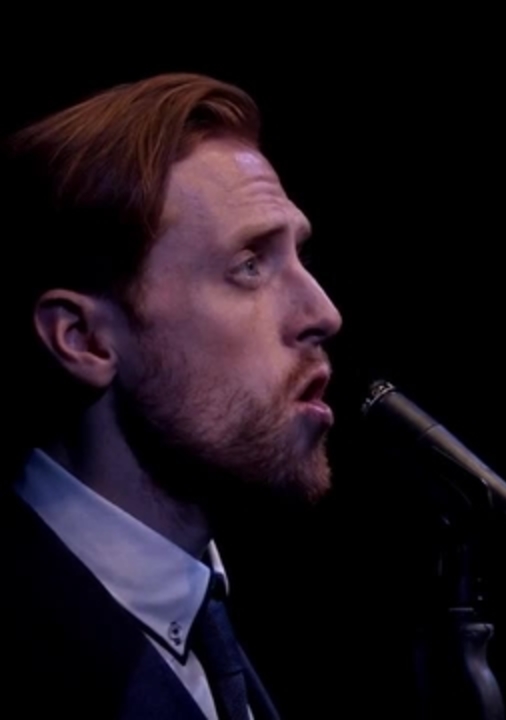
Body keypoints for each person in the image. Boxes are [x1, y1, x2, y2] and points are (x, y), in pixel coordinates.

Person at [0, 73, 342, 718]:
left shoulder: (217, 613)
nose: (324, 313)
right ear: (85, 340)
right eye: (249, 266)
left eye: (298, 256)